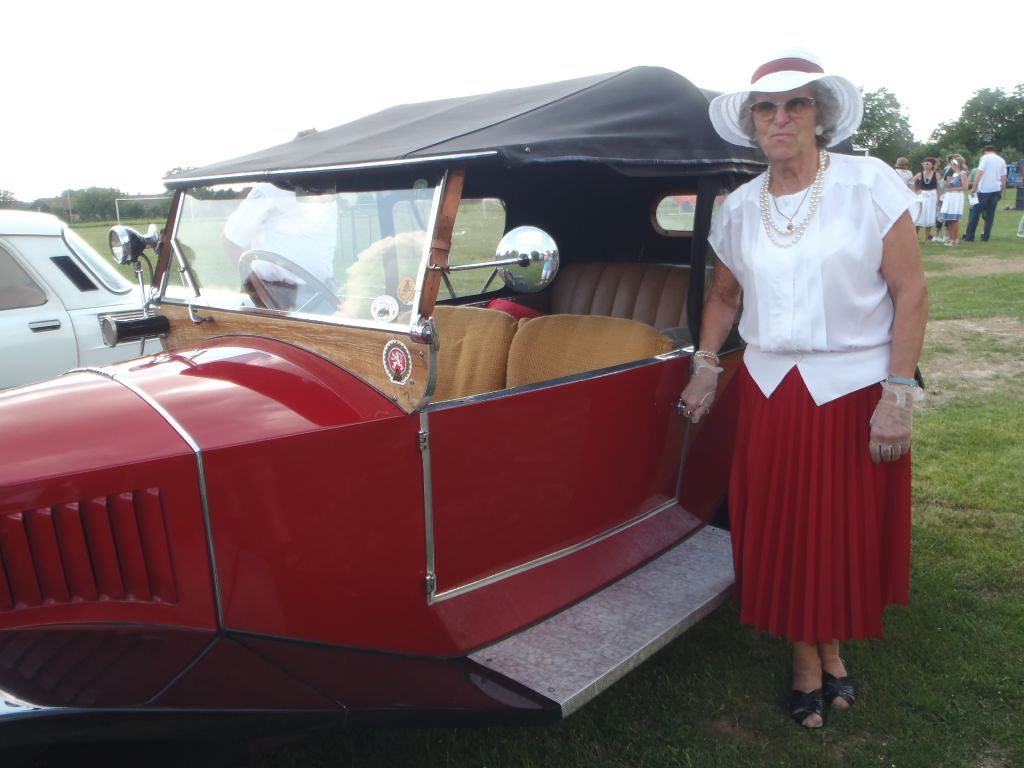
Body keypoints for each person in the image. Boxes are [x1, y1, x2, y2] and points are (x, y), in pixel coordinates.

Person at [686, 50, 928, 730]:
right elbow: (725, 297)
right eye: (766, 108)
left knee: (840, 529)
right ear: (752, 123)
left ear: (819, 115)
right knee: (787, 527)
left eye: (796, 104)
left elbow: (910, 290)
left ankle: (831, 647)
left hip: (854, 389)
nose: (781, 118)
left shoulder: (869, 183)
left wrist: (898, 393)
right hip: (770, 389)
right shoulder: (740, 208)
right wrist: (706, 363)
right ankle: (807, 658)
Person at [222, 130, 338, 311]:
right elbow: (231, 240)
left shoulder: (330, 189)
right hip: (280, 294)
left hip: (324, 290)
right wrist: (257, 292)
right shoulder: (270, 188)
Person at [963, 145, 1008, 242]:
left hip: (983, 190)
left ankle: (969, 236)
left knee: (975, 214)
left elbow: (979, 173)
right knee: (990, 215)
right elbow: (1004, 177)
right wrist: (1001, 191)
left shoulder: (985, 158)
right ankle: (985, 237)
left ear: (985, 151)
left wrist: (974, 188)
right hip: (996, 189)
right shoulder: (1001, 160)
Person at [938, 155, 968, 246]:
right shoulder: (954, 174)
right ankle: (951, 238)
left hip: (956, 197)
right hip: (950, 196)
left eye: (952, 164)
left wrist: (953, 189)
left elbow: (965, 187)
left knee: (954, 219)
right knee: (950, 219)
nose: (951, 166)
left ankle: (954, 239)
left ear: (956, 164)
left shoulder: (962, 174)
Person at [912, 157, 940, 242]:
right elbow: (911, 181)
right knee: (920, 216)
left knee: (930, 216)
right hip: (922, 196)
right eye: (924, 164)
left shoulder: (936, 175)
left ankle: (926, 239)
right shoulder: (920, 174)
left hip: (932, 197)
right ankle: (915, 238)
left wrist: (939, 199)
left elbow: (938, 187)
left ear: (932, 165)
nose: (925, 165)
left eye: (927, 164)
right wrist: (916, 191)